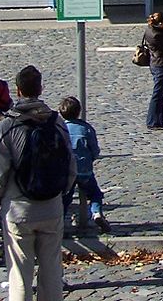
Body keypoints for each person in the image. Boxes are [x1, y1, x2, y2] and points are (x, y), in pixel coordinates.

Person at [0, 65, 76, 301]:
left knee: (20, 274)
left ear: (17, 91)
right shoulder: (56, 122)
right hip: (51, 205)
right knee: (51, 272)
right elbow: (70, 165)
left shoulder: (8, 125)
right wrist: (61, 193)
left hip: (18, 207)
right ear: (41, 88)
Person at [58, 96, 111, 234]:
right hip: (84, 169)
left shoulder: (61, 128)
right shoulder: (86, 128)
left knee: (65, 198)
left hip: (67, 171)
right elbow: (94, 149)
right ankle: (97, 213)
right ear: (79, 111)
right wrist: (91, 159)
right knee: (95, 194)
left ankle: (61, 222)